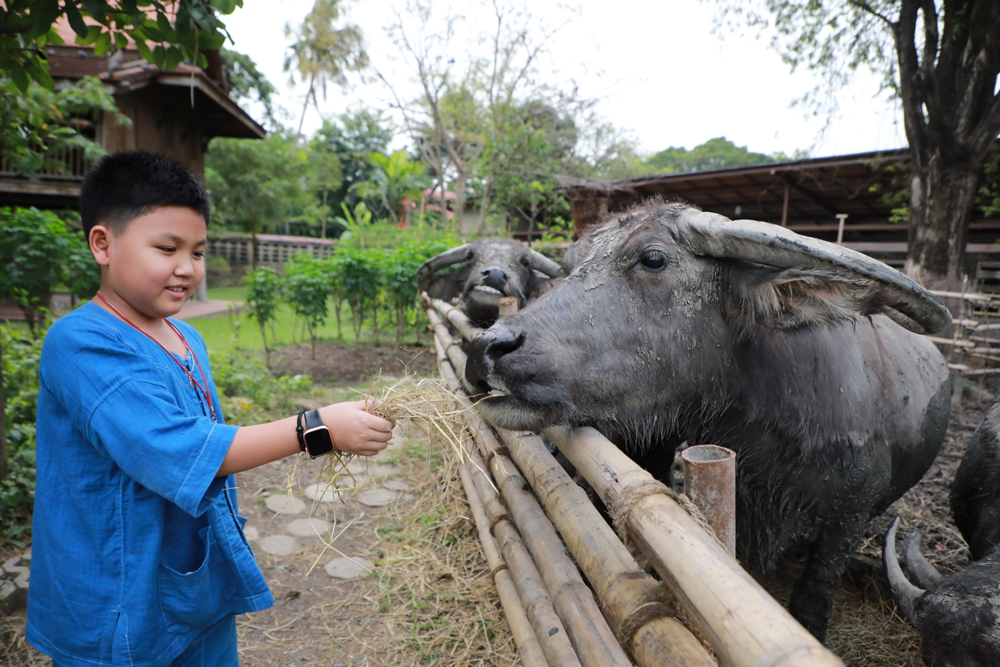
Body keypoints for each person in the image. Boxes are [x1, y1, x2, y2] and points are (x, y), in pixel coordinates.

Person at [27, 151, 395, 667]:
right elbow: (174, 448)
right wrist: (317, 428)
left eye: (198, 252)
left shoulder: (186, 335)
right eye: (166, 248)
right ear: (102, 244)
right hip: (116, 598)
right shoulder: (80, 342)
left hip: (191, 579)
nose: (187, 269)